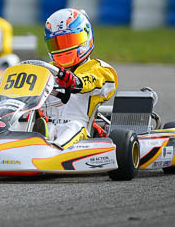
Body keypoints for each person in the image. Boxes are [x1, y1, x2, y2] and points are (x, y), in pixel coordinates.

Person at [41, 8, 118, 149]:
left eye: (69, 40)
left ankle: (52, 152)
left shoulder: (100, 68)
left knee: (72, 126)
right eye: (57, 44)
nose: (64, 49)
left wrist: (76, 81)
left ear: (85, 37)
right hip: (46, 124)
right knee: (25, 121)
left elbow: (93, 80)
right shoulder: (46, 69)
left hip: (78, 127)